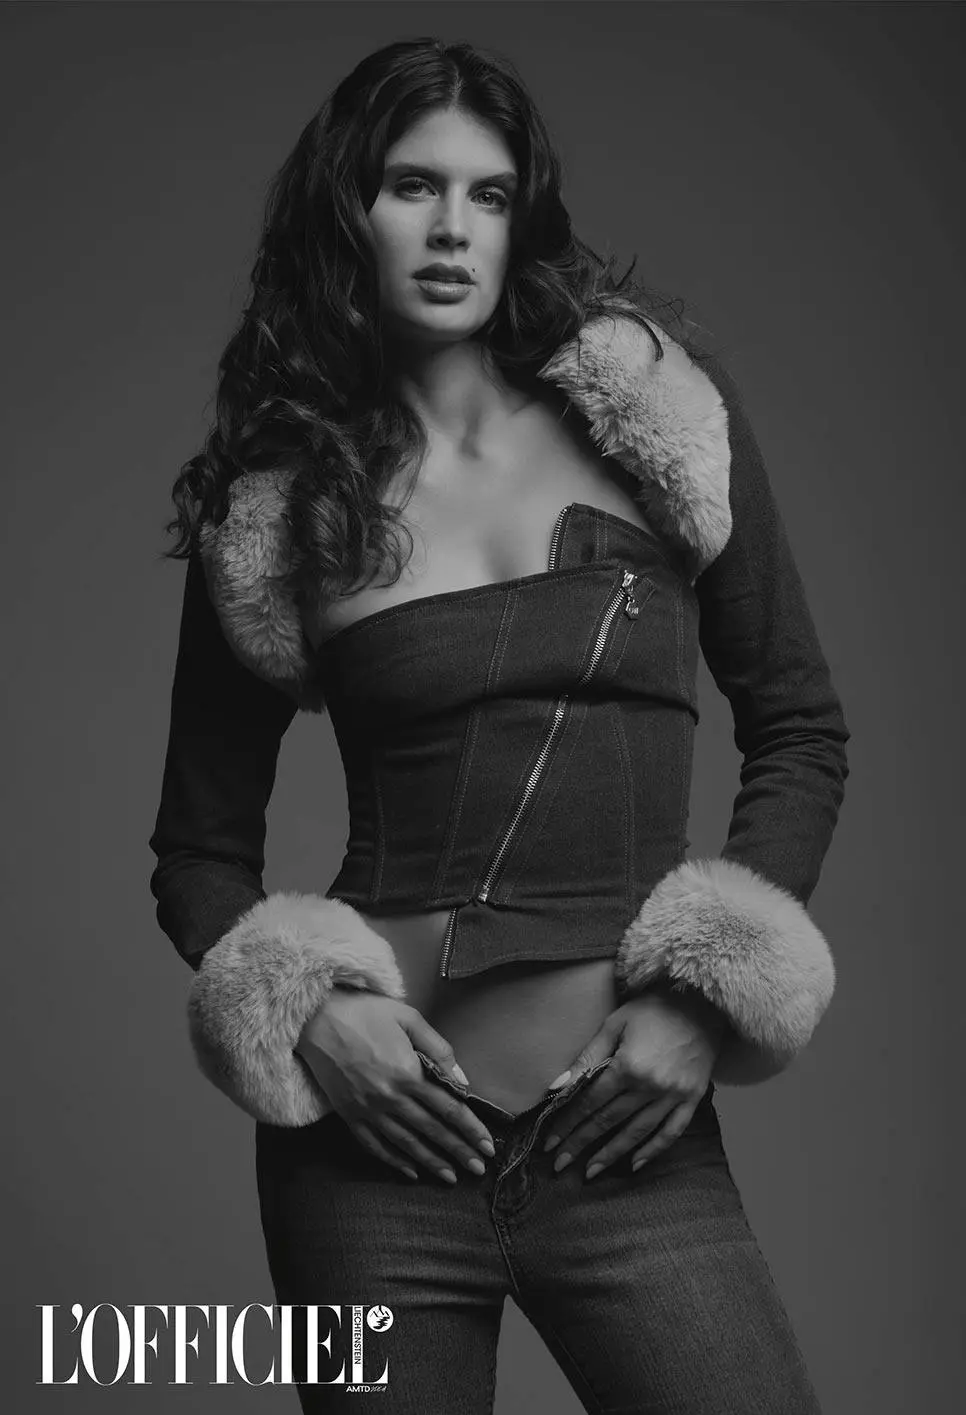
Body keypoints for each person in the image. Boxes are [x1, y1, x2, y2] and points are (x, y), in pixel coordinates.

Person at [148, 36, 850, 1414]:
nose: (453, 228)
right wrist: (314, 1016)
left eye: (488, 193)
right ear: (348, 213)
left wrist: (701, 1003)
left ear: (523, 215)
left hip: (625, 1136)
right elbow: (198, 851)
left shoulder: (657, 425)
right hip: (371, 1161)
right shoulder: (279, 511)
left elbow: (801, 728)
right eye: (413, 187)